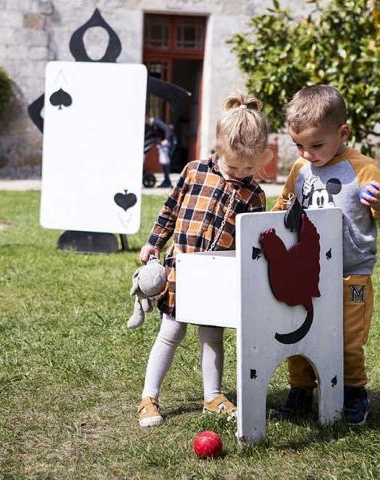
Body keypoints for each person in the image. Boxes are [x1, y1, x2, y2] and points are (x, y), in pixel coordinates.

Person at [136, 93, 272, 427]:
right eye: (233, 165)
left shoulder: (254, 194)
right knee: (170, 333)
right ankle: (149, 397)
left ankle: (212, 396)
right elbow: (169, 210)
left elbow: (252, 242)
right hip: (182, 271)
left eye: (249, 167)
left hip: (217, 277)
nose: (240, 173)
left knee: (212, 336)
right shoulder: (193, 172)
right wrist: (154, 243)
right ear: (218, 148)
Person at [271, 85, 380, 426]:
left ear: (342, 132)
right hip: (307, 271)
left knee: (348, 336)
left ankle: (354, 391)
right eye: (299, 145)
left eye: (316, 145)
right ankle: (301, 390)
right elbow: (285, 204)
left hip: (350, 272)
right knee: (298, 330)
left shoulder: (362, 168)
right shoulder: (300, 169)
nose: (307, 153)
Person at [148, 117, 176, 188]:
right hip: (166, 144)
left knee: (165, 162)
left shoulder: (156, 122)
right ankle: (167, 180)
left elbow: (167, 129)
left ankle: (167, 181)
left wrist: (166, 139)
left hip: (170, 143)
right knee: (164, 162)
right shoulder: (152, 126)